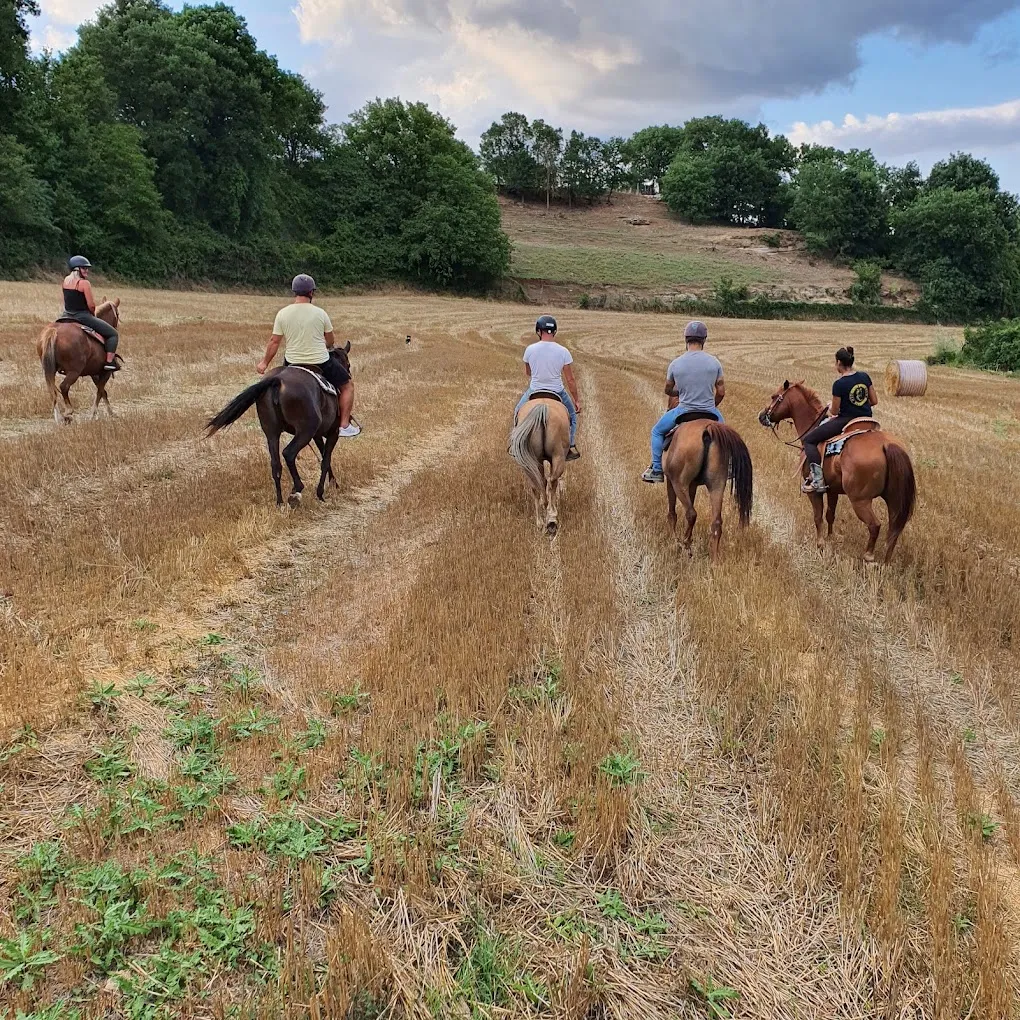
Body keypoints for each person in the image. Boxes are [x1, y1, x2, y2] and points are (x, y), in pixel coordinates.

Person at [257, 274, 360, 438]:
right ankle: (344, 425)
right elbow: (330, 340)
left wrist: (264, 363)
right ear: (311, 292)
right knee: (347, 386)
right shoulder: (320, 313)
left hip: (292, 362)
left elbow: (274, 342)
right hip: (320, 361)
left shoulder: (282, 314)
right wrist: (326, 345)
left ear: (294, 291)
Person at [641, 320, 724, 483]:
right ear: (704, 340)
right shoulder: (714, 362)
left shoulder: (675, 364)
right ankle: (728, 466)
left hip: (683, 410)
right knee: (726, 436)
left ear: (686, 339)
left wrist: (681, 392)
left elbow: (668, 389)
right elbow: (721, 392)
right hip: (709, 410)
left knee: (656, 432)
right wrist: (710, 405)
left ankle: (657, 469)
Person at [799, 346, 879, 494]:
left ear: (839, 363)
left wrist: (830, 405)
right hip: (867, 419)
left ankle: (817, 480)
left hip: (847, 421)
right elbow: (874, 401)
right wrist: (858, 404)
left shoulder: (839, 384)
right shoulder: (864, 377)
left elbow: (834, 412)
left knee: (809, 440)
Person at [513, 314, 581, 460]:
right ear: (554, 331)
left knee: (518, 411)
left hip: (535, 389)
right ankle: (570, 446)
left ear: (538, 331)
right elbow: (570, 380)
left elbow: (528, 372)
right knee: (573, 416)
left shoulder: (530, 349)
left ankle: (515, 444)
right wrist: (576, 400)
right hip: (557, 391)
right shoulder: (563, 351)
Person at [61, 256, 119, 371]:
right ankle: (109, 362)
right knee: (113, 334)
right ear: (76, 269)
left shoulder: (65, 281)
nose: (87, 270)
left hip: (65, 315)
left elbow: (64, 301)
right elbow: (91, 305)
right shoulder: (84, 283)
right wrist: (92, 314)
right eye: (84, 268)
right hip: (82, 316)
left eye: (87, 268)